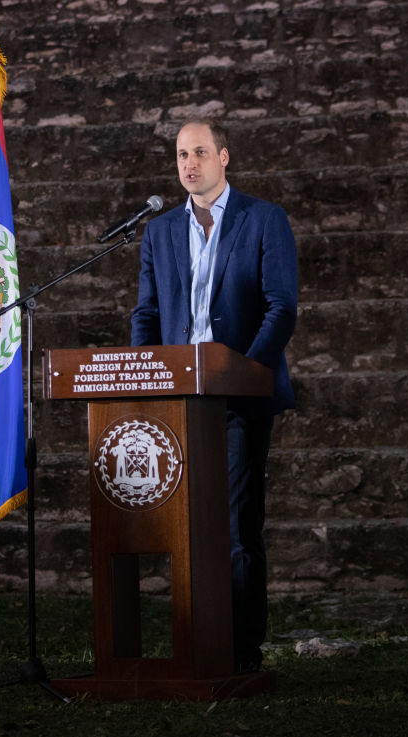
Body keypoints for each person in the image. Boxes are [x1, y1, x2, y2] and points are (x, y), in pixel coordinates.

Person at [131, 119, 298, 672]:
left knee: (234, 526)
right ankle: (196, 643)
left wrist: (245, 371)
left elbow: (281, 307)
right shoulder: (157, 233)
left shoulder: (263, 219)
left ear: (224, 157)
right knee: (184, 526)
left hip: (236, 401)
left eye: (200, 152)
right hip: (179, 403)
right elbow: (149, 315)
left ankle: (241, 650)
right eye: (181, 154)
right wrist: (142, 382)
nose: (188, 163)